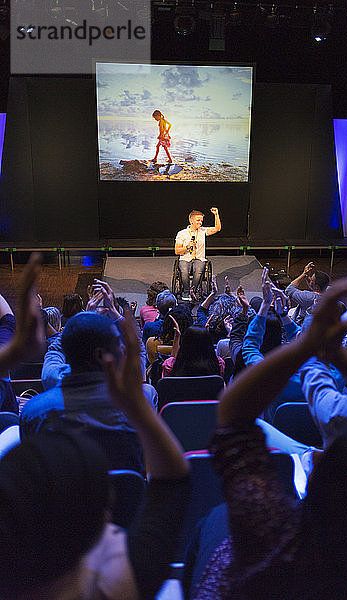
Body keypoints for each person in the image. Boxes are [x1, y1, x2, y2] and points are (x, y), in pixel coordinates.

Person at [191, 276, 347, 599]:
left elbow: (233, 413)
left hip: (297, 446)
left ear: (320, 480)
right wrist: (331, 346)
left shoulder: (272, 537)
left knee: (217, 518)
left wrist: (313, 342)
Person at [0, 285, 191, 600]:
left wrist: (76, 321)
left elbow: (54, 361)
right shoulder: (141, 398)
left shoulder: (38, 407)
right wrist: (125, 332)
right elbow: (173, 484)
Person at [21, 310, 158, 474]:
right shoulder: (141, 403)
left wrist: (79, 321)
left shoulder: (34, 411)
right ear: (100, 355)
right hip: (125, 498)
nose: (122, 348)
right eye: (117, 342)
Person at [175, 208, 222, 301]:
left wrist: (216, 215)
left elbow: (217, 228)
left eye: (201, 220)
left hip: (199, 258)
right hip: (186, 257)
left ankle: (194, 291)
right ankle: (186, 291)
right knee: (184, 271)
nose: (200, 222)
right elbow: (177, 251)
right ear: (191, 220)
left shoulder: (203, 231)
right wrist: (187, 247)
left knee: (199, 271)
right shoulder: (182, 233)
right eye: (198, 220)